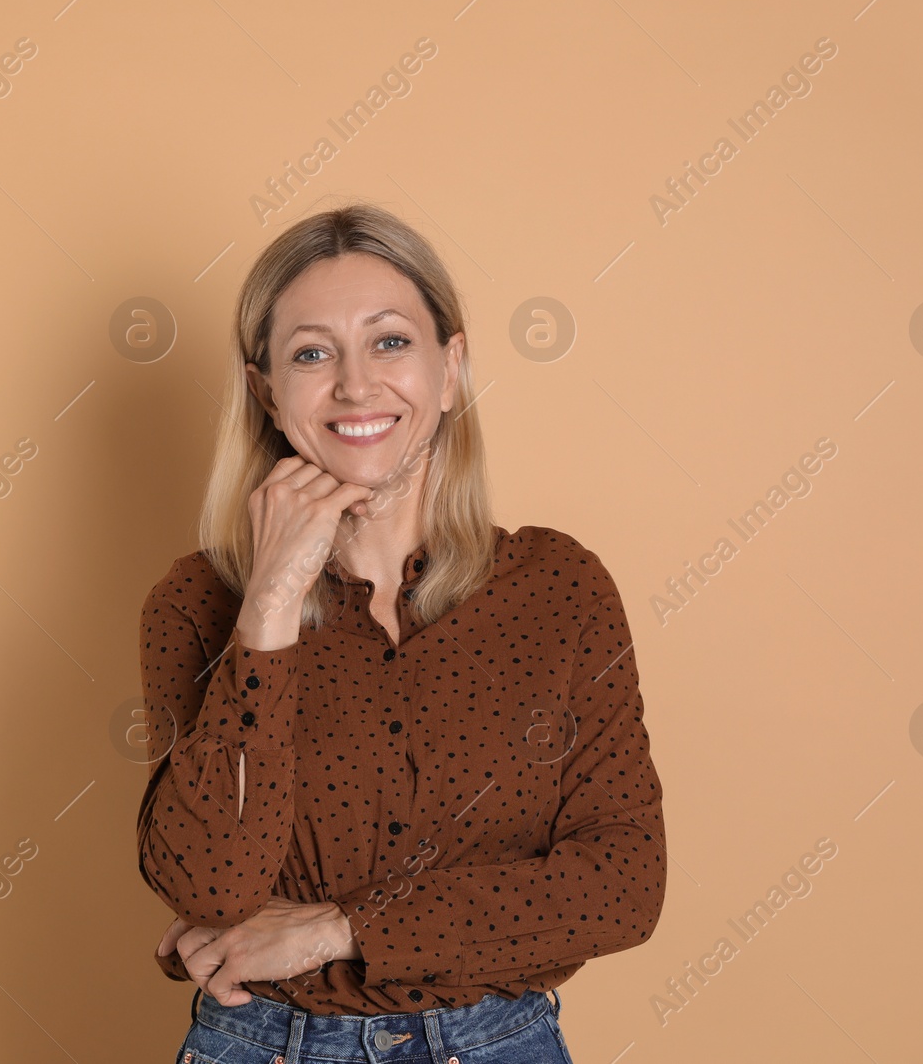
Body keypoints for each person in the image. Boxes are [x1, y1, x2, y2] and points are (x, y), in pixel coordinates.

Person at [135, 201, 666, 1063]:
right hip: (264, 1042)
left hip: (500, 1043)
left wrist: (335, 929)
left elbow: (622, 886)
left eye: (389, 342)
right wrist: (269, 602)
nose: (354, 384)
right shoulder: (199, 601)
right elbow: (210, 881)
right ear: (268, 389)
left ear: (450, 368)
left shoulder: (559, 590)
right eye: (312, 352)